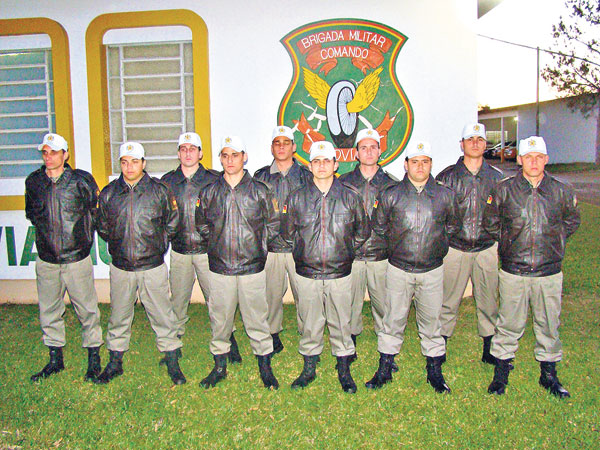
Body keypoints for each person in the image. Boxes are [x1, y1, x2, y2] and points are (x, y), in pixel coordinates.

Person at [484, 136, 580, 398]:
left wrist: (553, 241)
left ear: (546, 159)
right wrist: (509, 242)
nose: (534, 161)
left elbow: (571, 222)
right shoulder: (504, 190)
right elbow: (491, 222)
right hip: (514, 270)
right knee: (508, 324)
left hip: (548, 271)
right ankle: (501, 374)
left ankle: (548, 374)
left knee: (548, 324)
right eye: (529, 156)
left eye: (539, 156)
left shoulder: (562, 190)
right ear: (520, 159)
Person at [366, 141, 459, 393]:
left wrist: (435, 247)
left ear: (431, 164)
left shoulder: (445, 195)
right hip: (398, 269)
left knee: (431, 322)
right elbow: (380, 227)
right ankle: (385, 367)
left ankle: (435, 371)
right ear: (405, 165)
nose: (420, 166)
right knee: (392, 320)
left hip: (431, 270)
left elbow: (452, 228)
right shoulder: (390, 194)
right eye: (415, 161)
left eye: (425, 161)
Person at [281, 141, 371, 394]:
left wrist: (345, 251)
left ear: (336, 164)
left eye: (326, 161)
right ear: (310, 166)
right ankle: (309, 366)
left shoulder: (350, 196)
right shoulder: (296, 197)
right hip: (307, 272)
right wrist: (303, 251)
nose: (322, 166)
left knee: (342, 322)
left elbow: (362, 231)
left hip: (339, 271)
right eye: (317, 161)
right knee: (310, 322)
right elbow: (287, 234)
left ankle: (344, 367)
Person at [95, 142, 186, 385]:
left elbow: (172, 222)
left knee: (163, 315)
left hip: (152, 266)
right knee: (118, 316)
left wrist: (157, 242)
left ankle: (172, 360)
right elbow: (103, 227)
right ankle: (114, 363)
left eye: (134, 161)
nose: (129, 166)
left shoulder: (159, 190)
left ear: (143, 163)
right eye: (124, 162)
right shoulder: (109, 193)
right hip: (122, 267)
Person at [196, 135, 279, 389]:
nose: (229, 160)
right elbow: (202, 225)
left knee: (257, 318)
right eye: (225, 155)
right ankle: (219, 366)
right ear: (220, 159)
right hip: (220, 268)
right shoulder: (209, 191)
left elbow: (273, 225)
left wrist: (258, 248)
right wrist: (217, 245)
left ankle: (265, 367)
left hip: (251, 267)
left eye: (235, 155)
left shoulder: (261, 190)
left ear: (244, 157)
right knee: (220, 320)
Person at [25, 133, 103, 382]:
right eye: (45, 152)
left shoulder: (81, 180)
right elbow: (32, 214)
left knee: (87, 310)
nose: (49, 157)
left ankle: (93, 357)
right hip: (47, 259)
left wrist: (81, 240)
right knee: (49, 310)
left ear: (65, 155)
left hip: (76, 258)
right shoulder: (34, 182)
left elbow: (94, 211)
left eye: (54, 152)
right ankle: (55, 359)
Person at [161, 133, 243, 365]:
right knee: (177, 301)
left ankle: (229, 339)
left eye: (192, 148)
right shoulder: (167, 181)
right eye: (183, 148)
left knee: (218, 301)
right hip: (179, 251)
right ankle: (173, 344)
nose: (188, 153)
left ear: (201, 153)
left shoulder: (215, 179)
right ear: (178, 153)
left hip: (209, 252)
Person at [435, 123, 503, 364]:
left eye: (480, 139)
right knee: (448, 300)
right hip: (456, 247)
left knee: (488, 300)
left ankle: (489, 348)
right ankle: (440, 346)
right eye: (470, 139)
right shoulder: (447, 176)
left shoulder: (497, 177)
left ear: (485, 144)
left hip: (486, 247)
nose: (475, 143)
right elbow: (438, 213)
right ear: (461, 144)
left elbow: (504, 213)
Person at [339, 129, 397, 364]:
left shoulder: (392, 184)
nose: (369, 151)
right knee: (349, 305)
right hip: (351, 256)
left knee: (384, 305)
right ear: (356, 153)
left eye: (374, 147)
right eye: (364, 147)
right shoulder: (342, 183)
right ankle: (349, 344)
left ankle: (388, 348)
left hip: (380, 255)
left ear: (380, 151)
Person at [254, 126, 312, 353]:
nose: (281, 146)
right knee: (271, 295)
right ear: (271, 148)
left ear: (294, 147)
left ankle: (307, 332)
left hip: (300, 247)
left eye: (286, 142)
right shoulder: (260, 176)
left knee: (305, 295)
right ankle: (272, 333)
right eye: (277, 142)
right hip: (271, 248)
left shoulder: (307, 175)